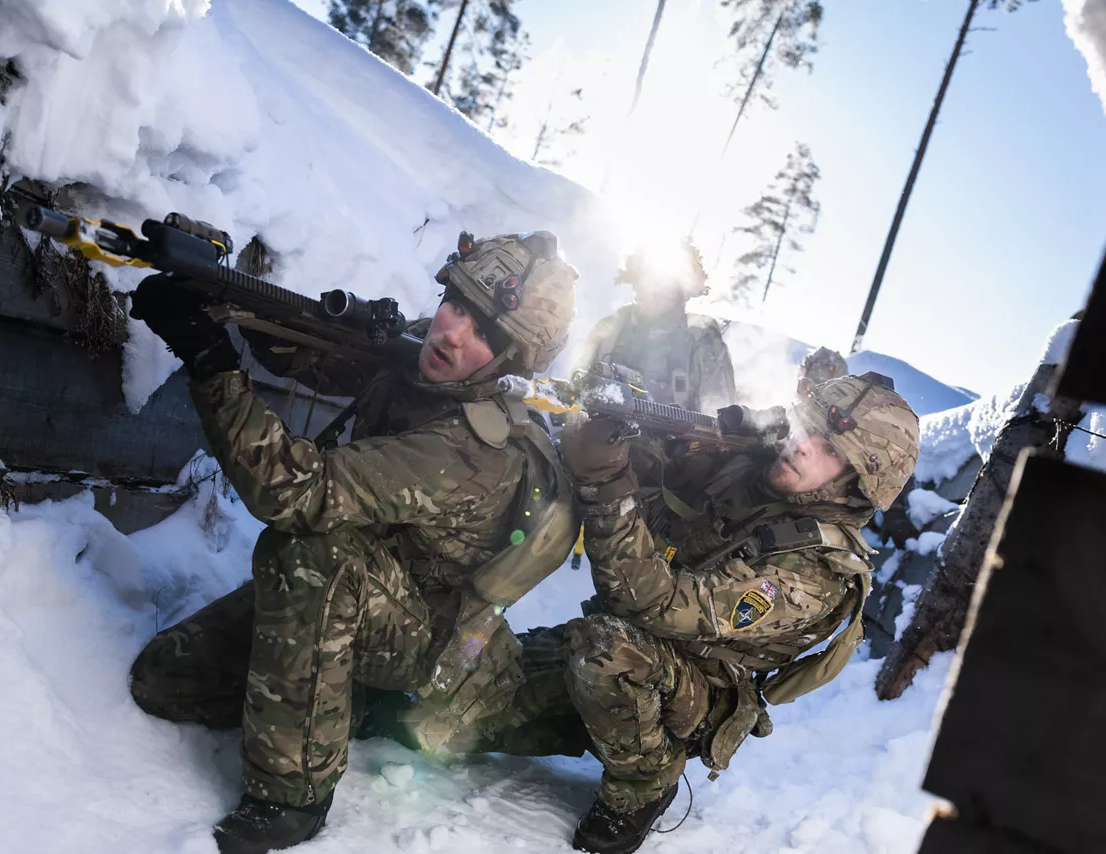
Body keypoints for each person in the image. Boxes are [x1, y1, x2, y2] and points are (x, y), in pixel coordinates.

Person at [127, 231, 579, 854]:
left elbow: (291, 491)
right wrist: (235, 299)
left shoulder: (471, 451)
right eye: (458, 306)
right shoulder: (436, 355)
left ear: (511, 361)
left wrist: (210, 359)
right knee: (164, 680)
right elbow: (315, 359)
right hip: (364, 593)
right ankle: (349, 698)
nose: (452, 333)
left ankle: (293, 797)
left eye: (486, 335)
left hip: (425, 635)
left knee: (309, 550)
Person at [550, 371, 919, 854]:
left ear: (857, 486)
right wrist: (627, 425)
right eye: (808, 426)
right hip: (633, 646)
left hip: (696, 688)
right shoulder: (749, 466)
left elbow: (650, 601)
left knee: (604, 650)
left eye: (830, 451)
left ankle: (647, 783)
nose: (803, 445)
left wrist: (602, 478)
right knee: (462, 710)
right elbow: (655, 481)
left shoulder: (815, 570)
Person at [579, 241, 736, 413]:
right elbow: (576, 400)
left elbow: (718, 417)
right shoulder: (608, 331)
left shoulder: (702, 338)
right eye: (649, 278)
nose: (657, 288)